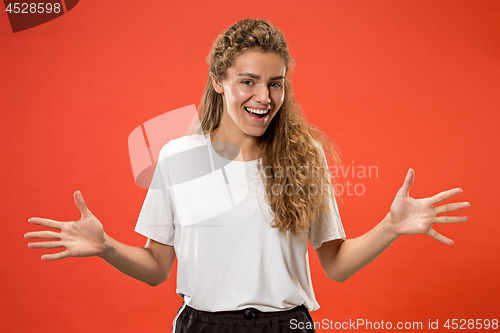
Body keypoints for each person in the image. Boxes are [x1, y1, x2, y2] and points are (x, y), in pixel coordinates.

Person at [25, 18, 470, 333]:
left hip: (288, 325)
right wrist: (105, 247)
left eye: (276, 83)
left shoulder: (304, 156)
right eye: (249, 81)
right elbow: (158, 268)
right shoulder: (179, 157)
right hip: (203, 326)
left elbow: (335, 264)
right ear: (220, 80)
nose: (264, 96)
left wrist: (391, 227)